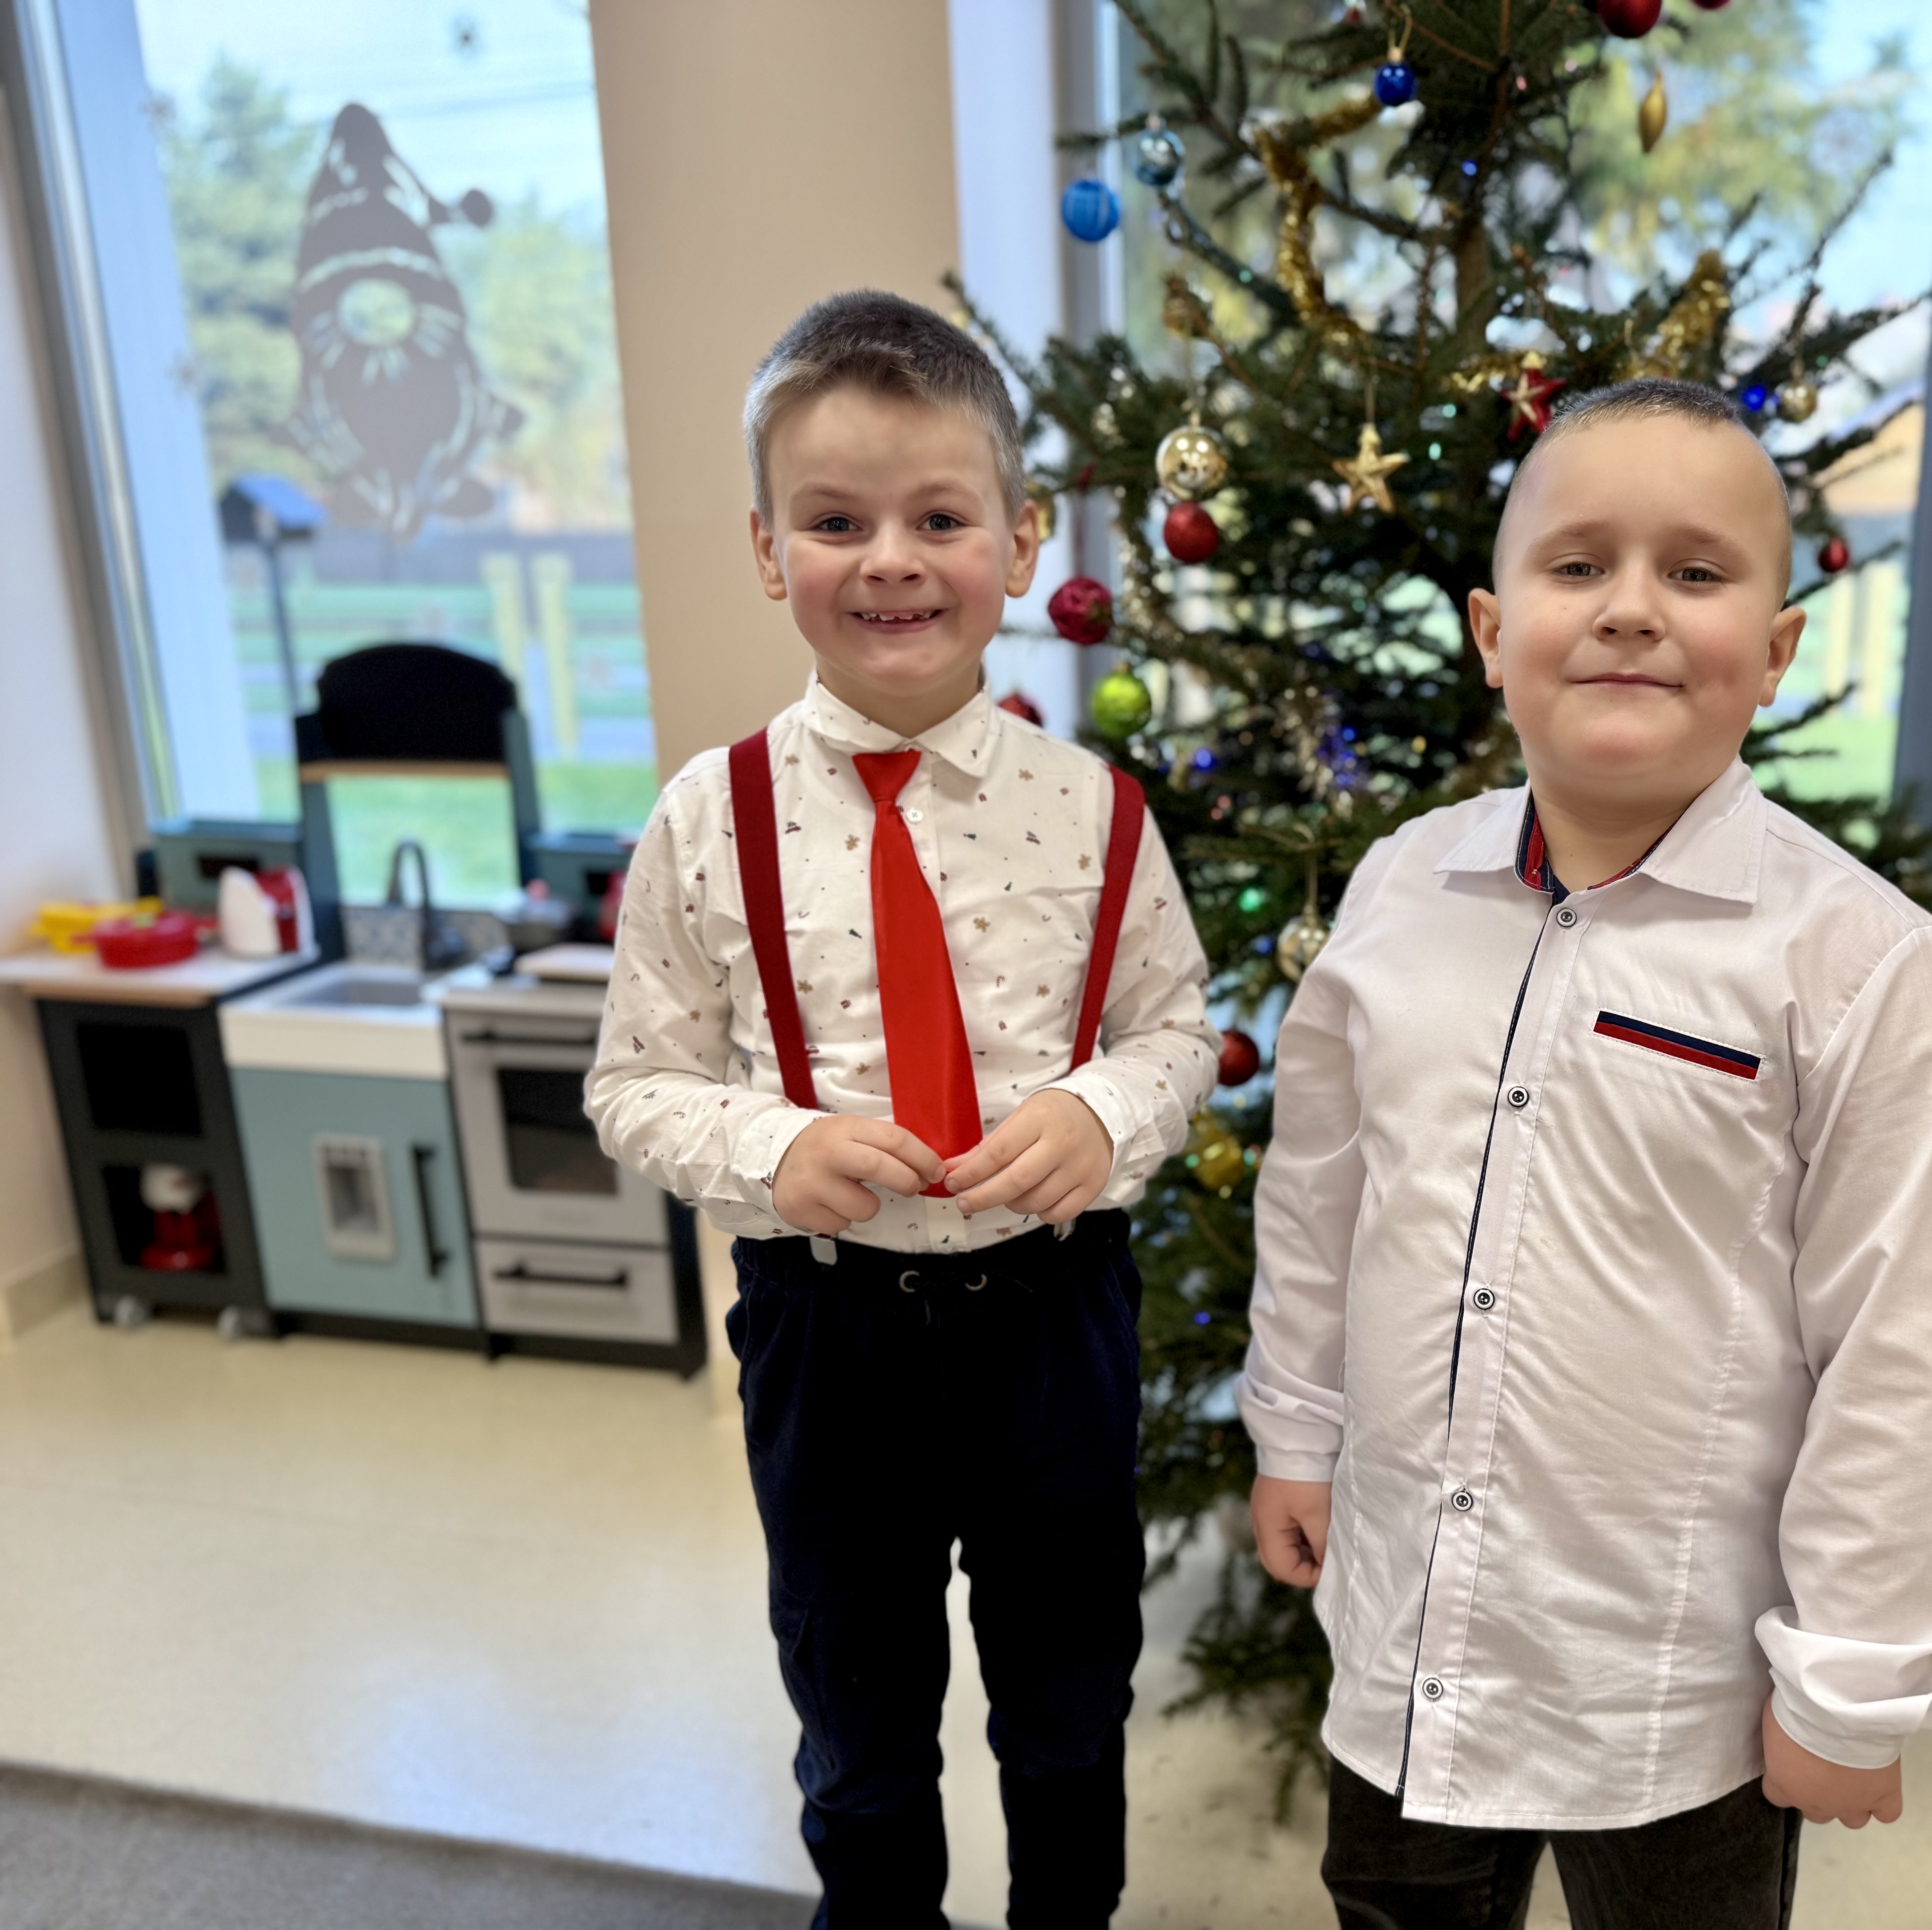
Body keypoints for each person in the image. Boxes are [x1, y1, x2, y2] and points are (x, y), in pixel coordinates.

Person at [1240, 378, 1932, 1930]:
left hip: (1669, 1684)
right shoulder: (1397, 890)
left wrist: (1855, 1673)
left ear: (1776, 651)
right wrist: (1296, 1428)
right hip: (1407, 1631)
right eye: (1577, 564)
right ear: (1490, 628)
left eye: (1697, 572)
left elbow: (1908, 1340)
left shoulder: (1863, 963)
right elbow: (1321, 1195)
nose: (1632, 609)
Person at [587, 290, 1219, 1930]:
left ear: (1019, 541)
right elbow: (634, 1080)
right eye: (835, 521)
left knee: (1068, 1698)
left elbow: (1176, 1030)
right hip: (831, 1333)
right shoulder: (708, 817)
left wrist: (1104, 1110)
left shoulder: (1099, 809)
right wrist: (772, 1142)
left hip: (1054, 1320)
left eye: (940, 518)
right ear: (767, 547)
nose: (891, 561)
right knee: (856, 1711)